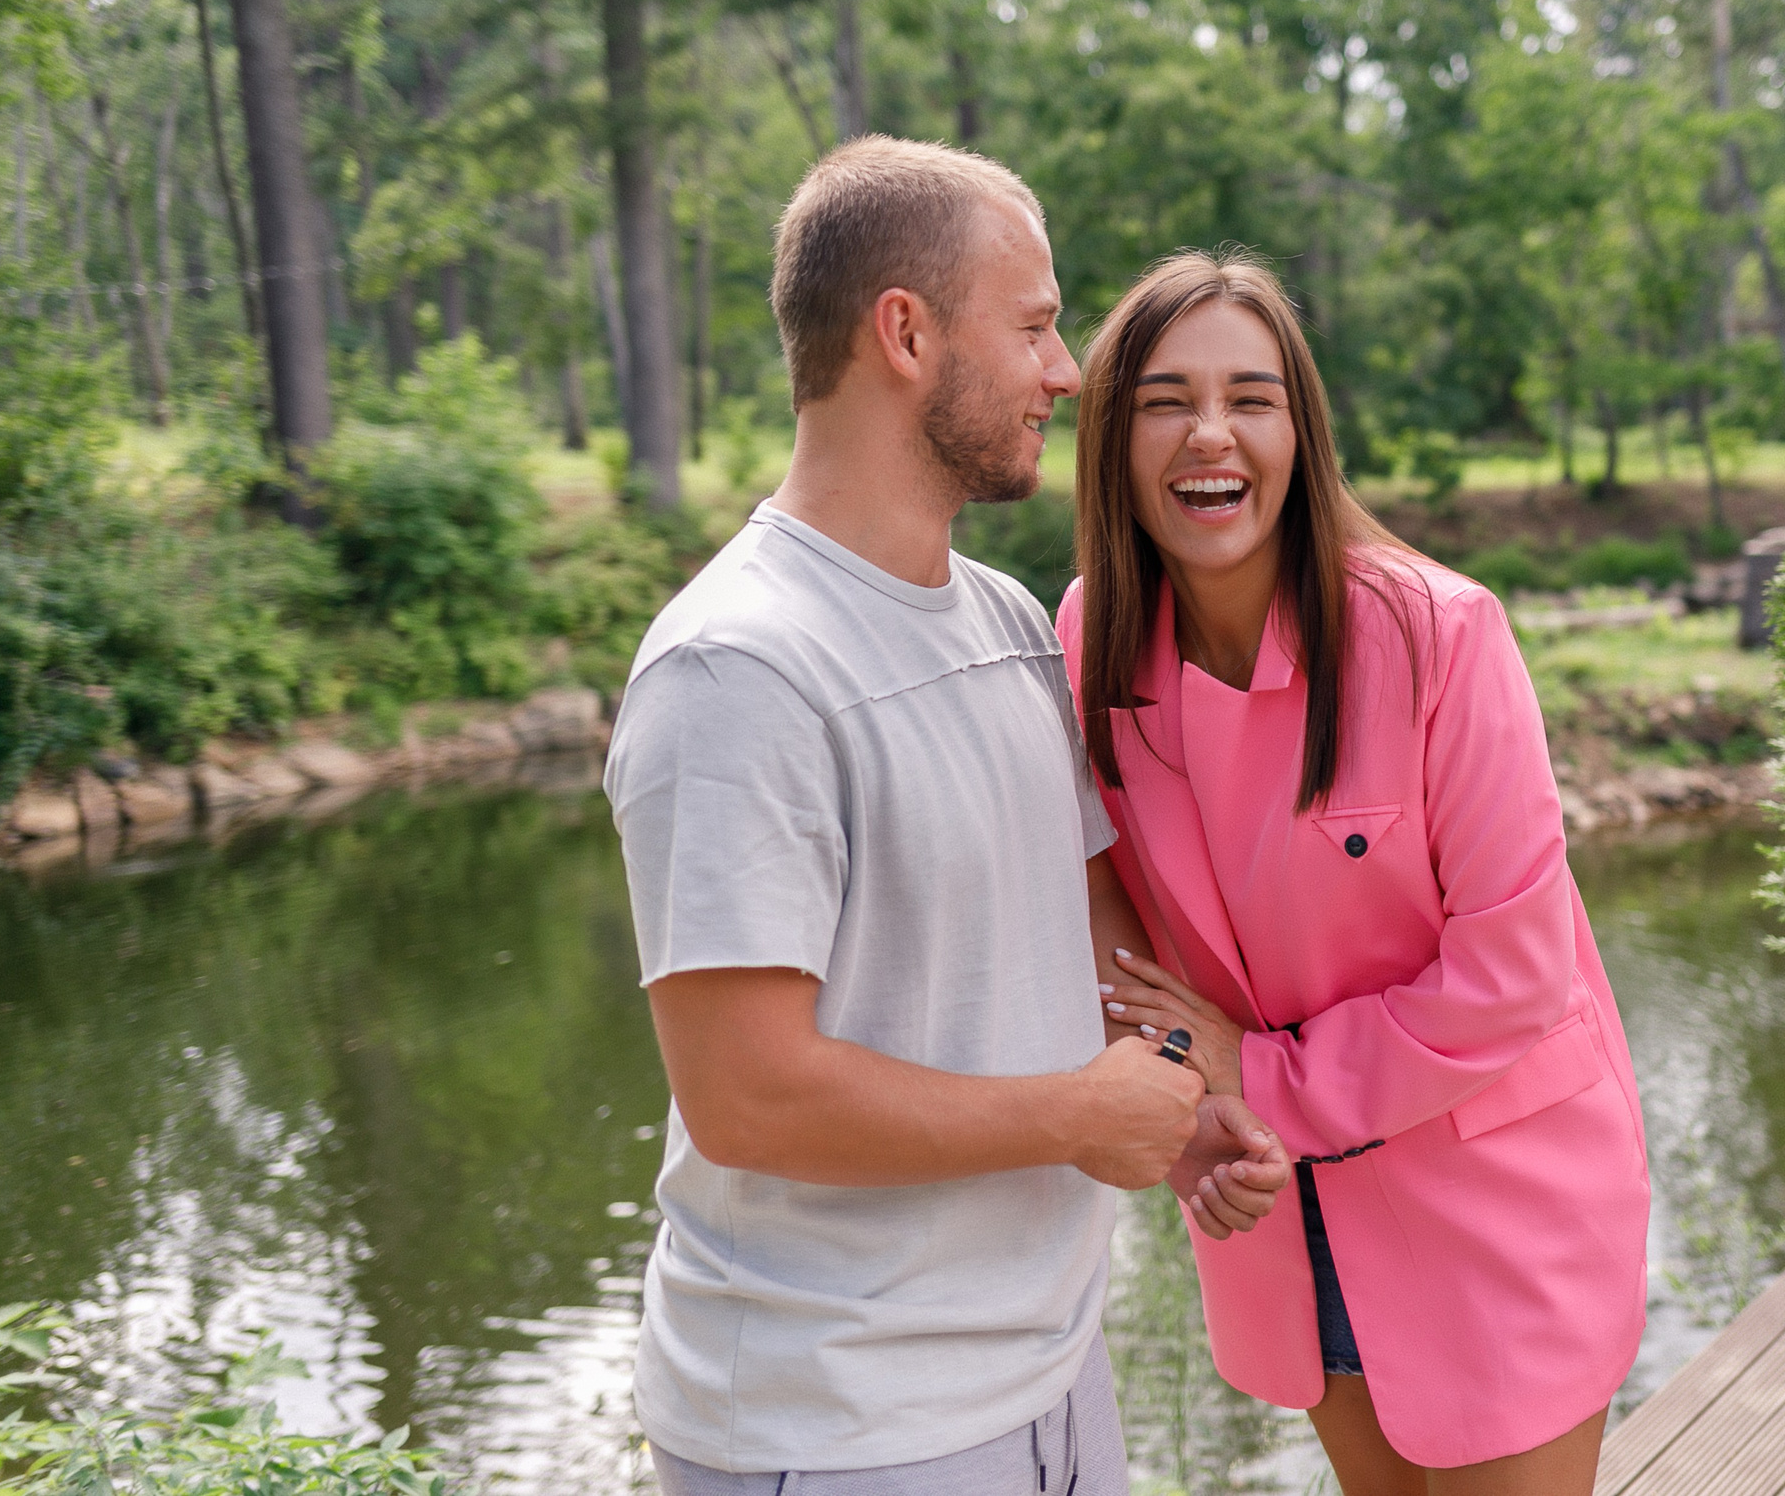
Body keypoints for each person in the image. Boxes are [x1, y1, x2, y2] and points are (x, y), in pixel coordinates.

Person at [604, 140, 1291, 1496]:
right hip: (840, 1425)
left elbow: (1091, 943)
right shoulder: (737, 669)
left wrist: (1173, 1089)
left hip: (1049, 1380)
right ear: (905, 331)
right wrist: (1078, 1117)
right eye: (1034, 324)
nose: (1068, 371)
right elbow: (746, 1096)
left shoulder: (1012, 623)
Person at [1056, 250, 1652, 1493]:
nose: (1207, 433)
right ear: (1112, 440)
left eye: (1250, 397)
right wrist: (1190, 1124)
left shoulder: (1438, 635)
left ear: (1299, 433)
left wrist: (1253, 1072)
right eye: (1164, 400)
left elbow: (1514, 976)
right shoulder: (1088, 638)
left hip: (1496, 1203)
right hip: (1277, 1210)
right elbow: (1128, 951)